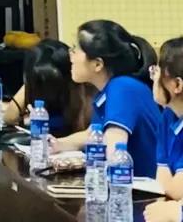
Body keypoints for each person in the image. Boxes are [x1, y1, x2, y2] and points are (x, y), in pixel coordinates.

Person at [51, 20, 161, 178]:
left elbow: (115, 146)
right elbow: (92, 134)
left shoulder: (122, 88)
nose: (71, 55)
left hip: (140, 188)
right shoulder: (111, 89)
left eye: (76, 49)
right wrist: (57, 144)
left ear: (97, 64)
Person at [2, 39, 94, 137]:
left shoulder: (82, 86)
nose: (50, 88)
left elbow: (81, 129)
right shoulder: (35, 85)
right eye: (41, 81)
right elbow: (9, 118)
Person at [152, 37, 183, 199]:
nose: (153, 80)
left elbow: (178, 190)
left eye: (157, 73)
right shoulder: (168, 115)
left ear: (177, 85)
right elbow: (162, 178)